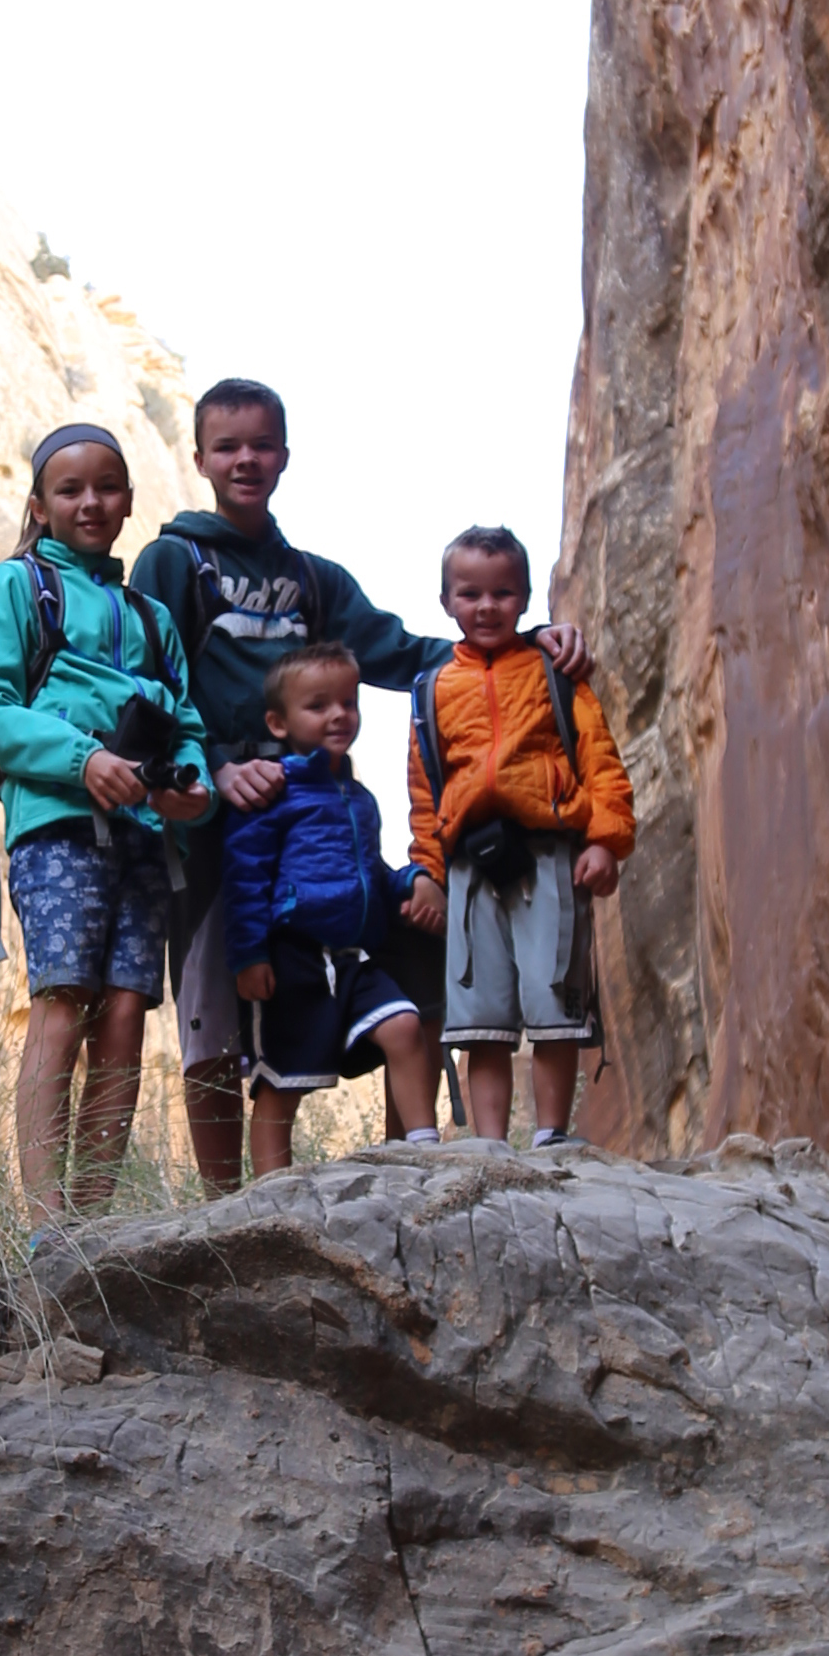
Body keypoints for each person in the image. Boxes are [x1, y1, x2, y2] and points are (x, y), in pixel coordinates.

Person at [133, 381, 581, 1193]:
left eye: (261, 445)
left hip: (316, 821)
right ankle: (224, 1201)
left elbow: (404, 653)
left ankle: (407, 1156)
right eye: (228, 446)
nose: (245, 460)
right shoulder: (175, 562)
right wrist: (218, 767)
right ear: (199, 458)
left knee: (416, 936)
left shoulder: (312, 578)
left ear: (285, 457)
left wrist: (522, 646)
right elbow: (152, 684)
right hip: (213, 823)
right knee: (214, 1005)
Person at [0, 424, 209, 1212]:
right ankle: (46, 1218)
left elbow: (186, 722)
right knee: (64, 999)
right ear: (40, 505)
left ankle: (94, 1216)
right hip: (59, 826)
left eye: (106, 487)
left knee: (127, 1013)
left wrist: (190, 789)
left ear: (129, 501)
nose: (90, 502)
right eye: (70, 490)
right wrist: (84, 761)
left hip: (142, 834)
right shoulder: (18, 588)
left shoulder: (152, 618)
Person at [405, 523, 635, 1149]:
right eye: (470, 593)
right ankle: (488, 1145)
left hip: (549, 853)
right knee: (481, 1017)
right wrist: (428, 870)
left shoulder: (553, 671)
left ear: (527, 596)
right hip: (471, 865)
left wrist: (604, 842)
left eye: (503, 593)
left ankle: (552, 1135)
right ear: (446, 600)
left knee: (555, 996)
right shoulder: (432, 690)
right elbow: (425, 789)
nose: (486, 607)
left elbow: (600, 759)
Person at [222, 646, 447, 1173]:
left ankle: (421, 1156)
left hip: (351, 957)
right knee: (281, 1080)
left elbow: (372, 871)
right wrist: (248, 953)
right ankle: (271, 1195)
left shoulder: (359, 797)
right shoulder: (274, 790)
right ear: (278, 722)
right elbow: (246, 874)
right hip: (292, 955)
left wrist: (414, 881)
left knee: (406, 1027)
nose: (339, 715)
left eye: (348, 701)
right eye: (318, 705)